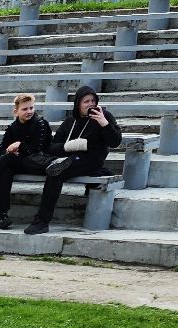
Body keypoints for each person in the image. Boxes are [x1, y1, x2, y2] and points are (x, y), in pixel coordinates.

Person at [25, 85, 121, 236]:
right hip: (68, 159)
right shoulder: (70, 122)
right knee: (52, 167)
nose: (91, 104)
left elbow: (115, 142)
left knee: (56, 172)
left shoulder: (105, 116)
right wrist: (69, 146)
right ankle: (67, 166)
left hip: (90, 160)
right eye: (86, 101)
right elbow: (51, 147)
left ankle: (42, 221)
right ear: (78, 104)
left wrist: (104, 124)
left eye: (93, 100)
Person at [0, 92, 53, 229]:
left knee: (6, 162)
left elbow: (38, 150)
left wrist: (19, 145)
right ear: (16, 111)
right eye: (25, 109)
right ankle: (3, 215)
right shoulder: (13, 127)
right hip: (18, 163)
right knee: (5, 169)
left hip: (38, 164)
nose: (29, 111)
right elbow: (2, 149)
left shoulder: (41, 124)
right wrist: (10, 151)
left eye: (31, 108)